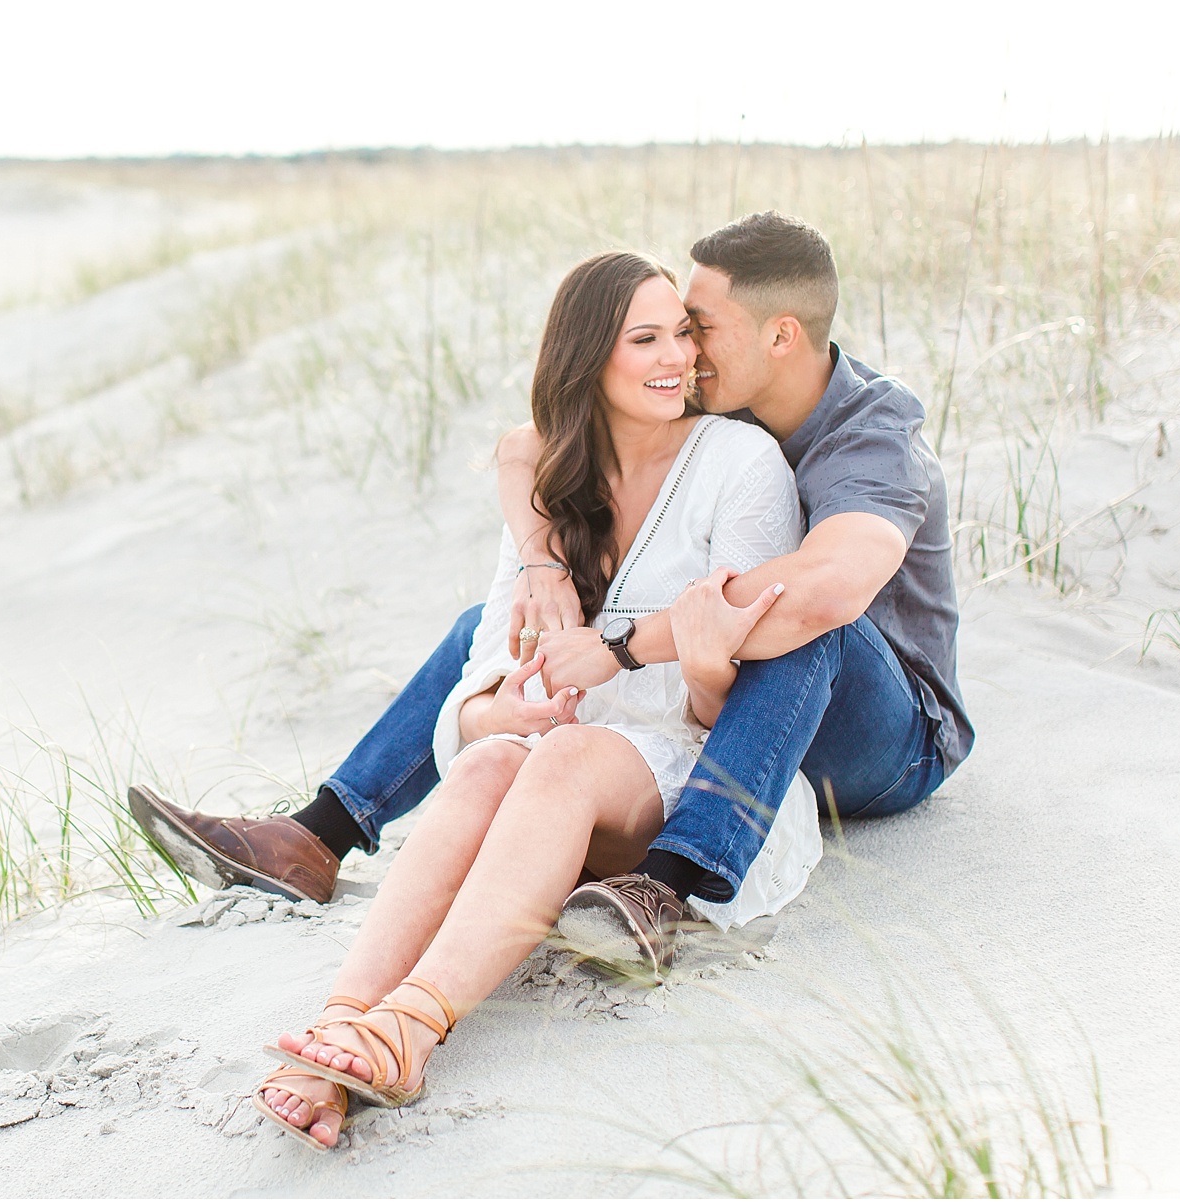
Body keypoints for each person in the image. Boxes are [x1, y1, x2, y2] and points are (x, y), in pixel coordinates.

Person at [129, 209, 972, 982]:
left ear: (781, 335)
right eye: (670, 330)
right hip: (753, 711)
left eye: (699, 328)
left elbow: (830, 588)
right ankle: (319, 833)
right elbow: (529, 442)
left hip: (884, 736)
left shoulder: (871, 430)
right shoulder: (731, 400)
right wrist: (539, 561)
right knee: (484, 626)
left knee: (794, 620)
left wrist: (620, 647)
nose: (686, 352)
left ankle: (669, 888)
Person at [237, 250, 818, 1149]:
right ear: (588, 358)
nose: (680, 360)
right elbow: (474, 689)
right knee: (490, 765)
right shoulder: (551, 488)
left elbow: (743, 714)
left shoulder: (740, 466)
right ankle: (341, 1030)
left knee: (564, 757)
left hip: (682, 786)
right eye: (647, 339)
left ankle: (412, 1027)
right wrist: (495, 715)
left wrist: (700, 668)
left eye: (683, 336)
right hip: (542, 789)